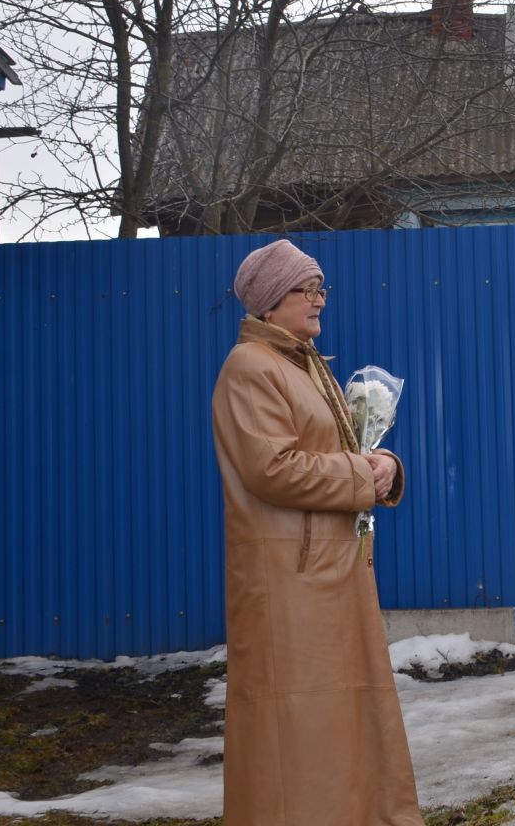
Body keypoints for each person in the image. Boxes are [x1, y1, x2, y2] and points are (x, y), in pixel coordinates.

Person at [211, 239, 421, 824]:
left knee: (343, 723)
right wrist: (361, 473)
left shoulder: (303, 363)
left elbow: (335, 454)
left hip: (327, 572)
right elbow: (271, 469)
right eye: (309, 288)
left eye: (321, 288)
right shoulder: (250, 367)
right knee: (296, 731)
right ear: (274, 300)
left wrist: (385, 467)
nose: (320, 299)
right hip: (288, 582)